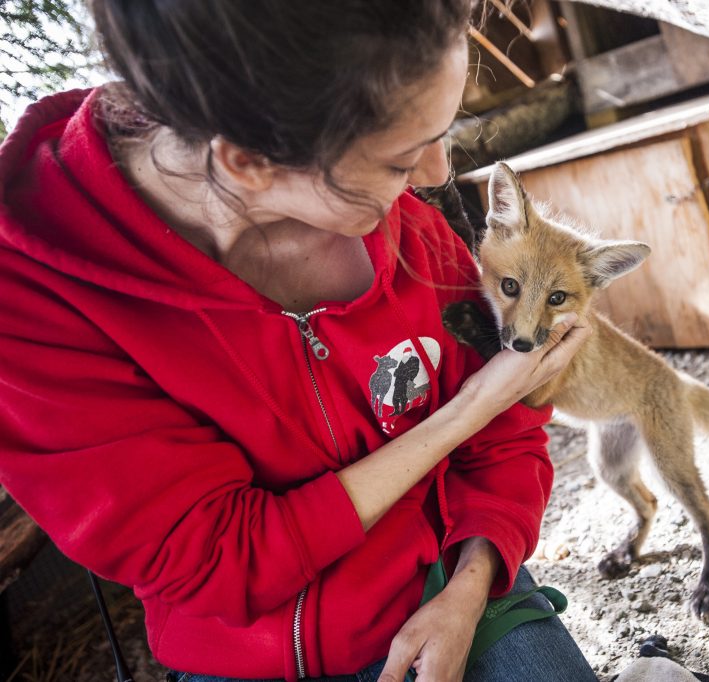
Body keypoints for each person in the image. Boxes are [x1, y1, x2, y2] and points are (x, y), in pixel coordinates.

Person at [0, 2, 596, 681]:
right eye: (403, 156)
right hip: (248, 651)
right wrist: (467, 410)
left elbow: (508, 440)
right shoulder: (34, 303)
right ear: (248, 162)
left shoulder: (412, 232)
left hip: (452, 572)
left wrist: (469, 589)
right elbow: (224, 561)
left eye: (440, 132)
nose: (434, 173)